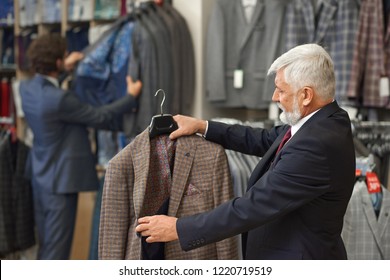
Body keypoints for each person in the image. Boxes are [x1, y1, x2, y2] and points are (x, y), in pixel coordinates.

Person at [135, 43, 356, 260]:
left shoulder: (317, 144)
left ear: (306, 95)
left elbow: (254, 205)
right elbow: (264, 139)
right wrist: (203, 126)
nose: (274, 97)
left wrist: (178, 228)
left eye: (281, 90)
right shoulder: (325, 120)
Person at [20, 33, 142, 260]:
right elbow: (99, 116)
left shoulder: (26, 89)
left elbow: (50, 83)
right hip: (61, 182)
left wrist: (63, 67)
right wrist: (130, 97)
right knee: (57, 253)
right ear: (58, 62)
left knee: (45, 245)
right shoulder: (60, 99)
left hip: (40, 175)